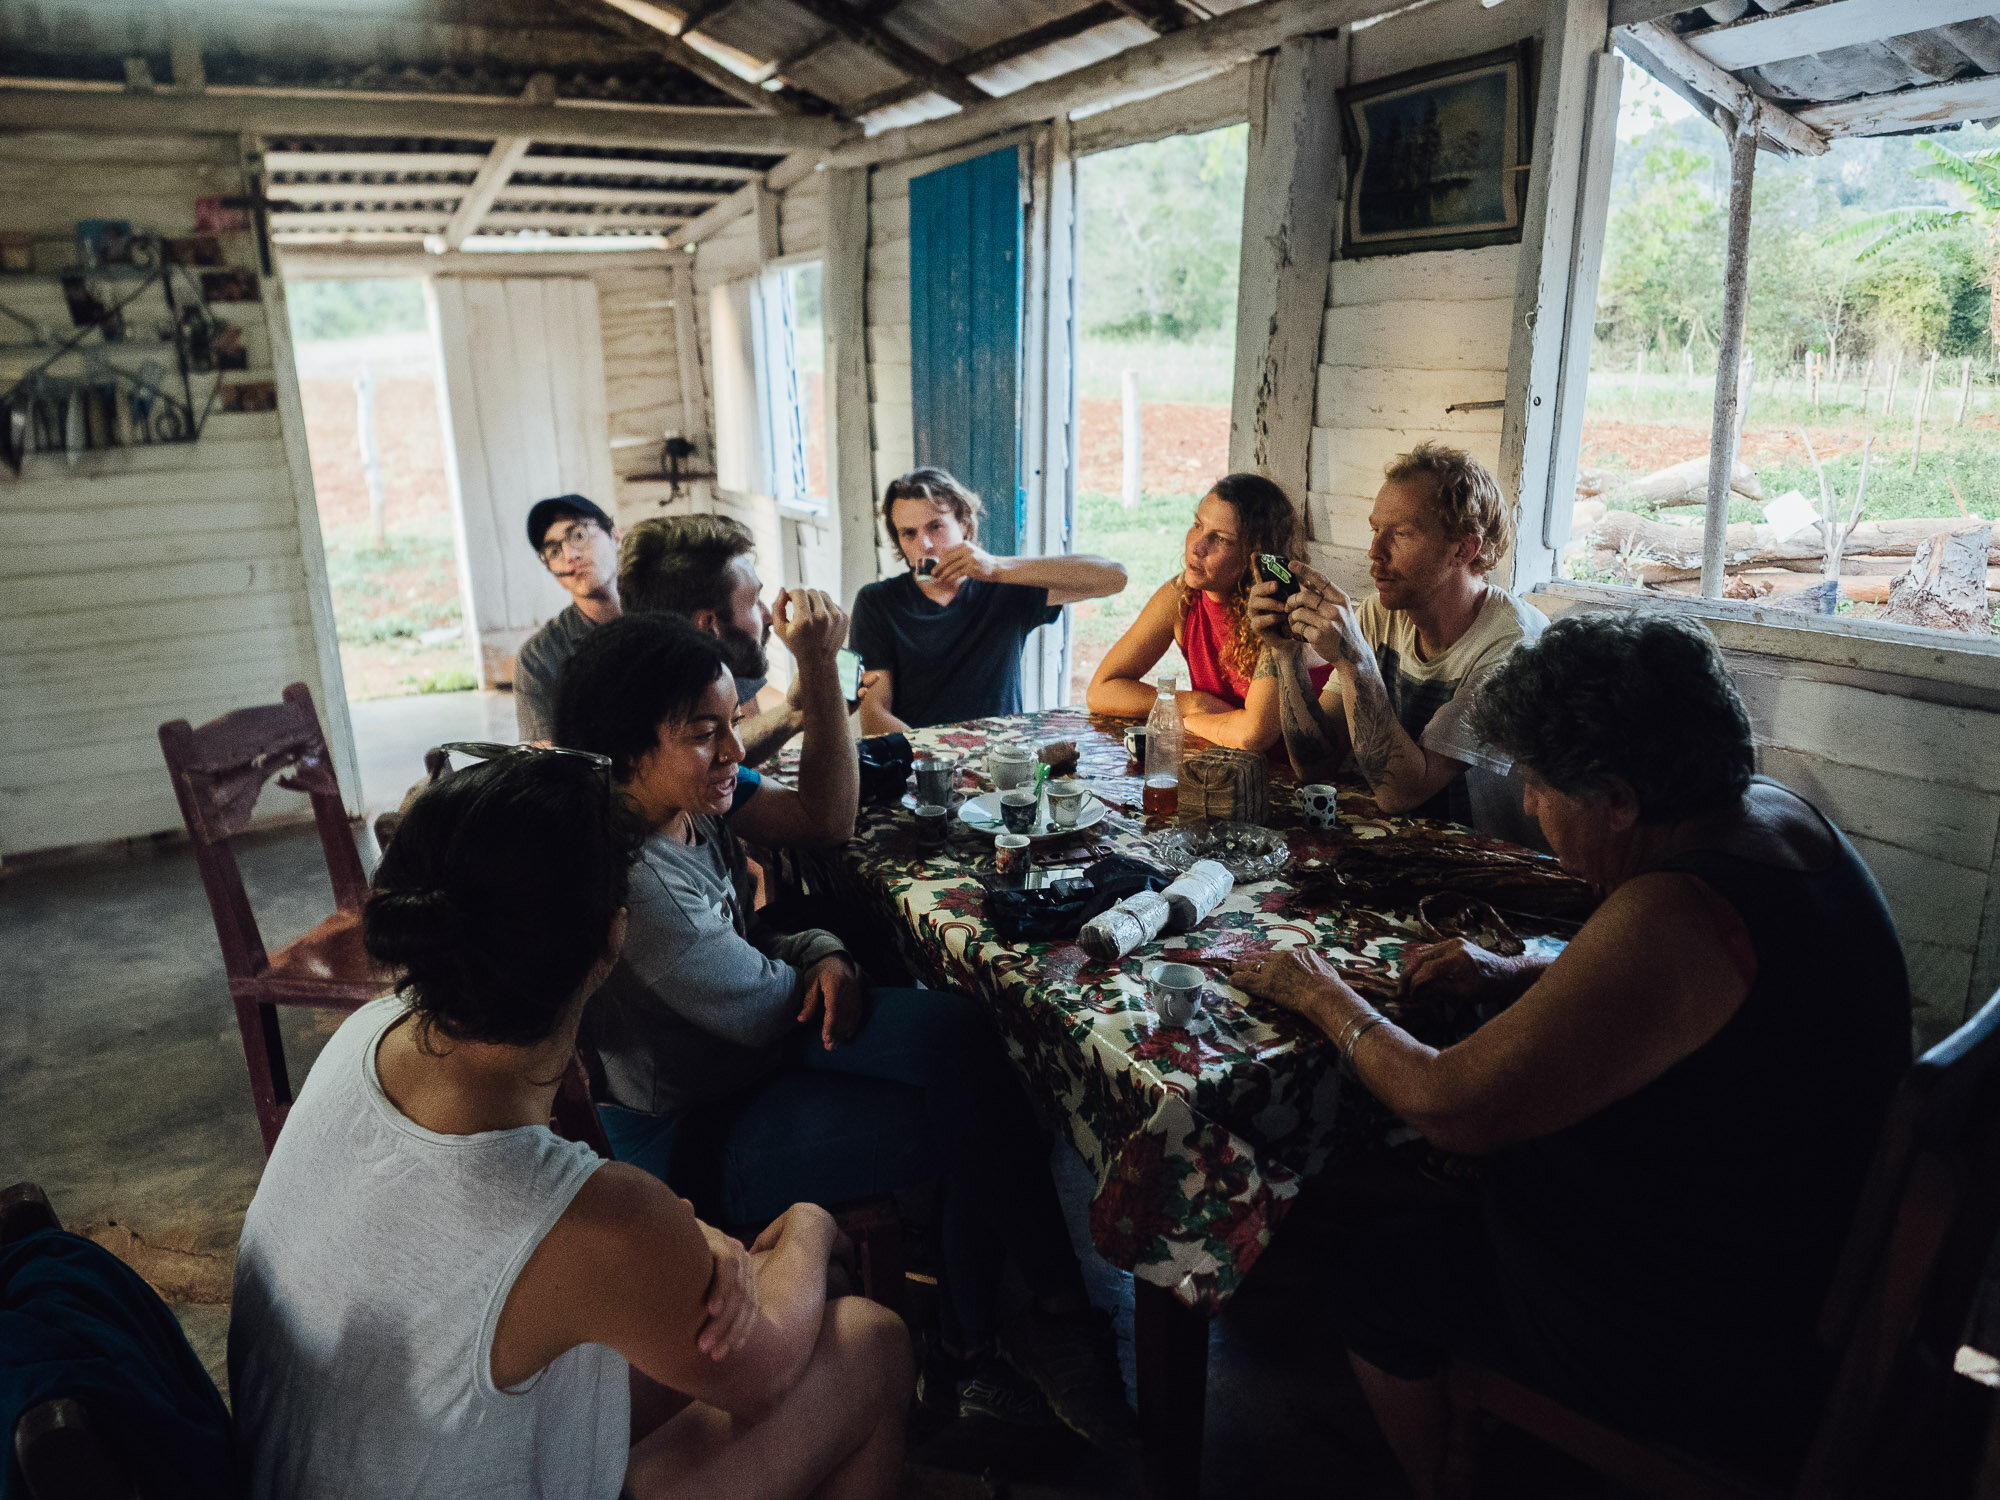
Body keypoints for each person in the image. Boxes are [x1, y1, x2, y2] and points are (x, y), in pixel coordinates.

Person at [1230, 613, 1911, 1495]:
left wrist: (1319, 991)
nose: (1528, 807)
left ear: (1622, 798)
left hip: (1709, 1327)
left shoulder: (1679, 911)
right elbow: (1666, 1000)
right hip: (1802, 1241)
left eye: (1542, 786)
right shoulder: (1775, 817)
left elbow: (1451, 1105)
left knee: (1379, 1262)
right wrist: (1513, 966)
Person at [228, 748, 912, 1500]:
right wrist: (812, 1226)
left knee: (691, 1337)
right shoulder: (591, 1213)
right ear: (613, 935)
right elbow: (767, 1370)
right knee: (867, 1342)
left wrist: (674, 1252)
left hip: (299, 1471)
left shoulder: (368, 1031)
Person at [554, 612, 1135, 1447]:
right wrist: (825, 962)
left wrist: (821, 948)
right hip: (691, 1127)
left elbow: (792, 879)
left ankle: (1022, 1321)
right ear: (626, 748)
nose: (733, 752)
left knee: (972, 1046)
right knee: (977, 1104)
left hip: (744, 1058)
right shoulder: (636, 882)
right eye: (703, 735)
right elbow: (760, 1011)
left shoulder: (694, 796)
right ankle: (979, 1350)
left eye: (731, 725)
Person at [1246, 444, 1546, 834]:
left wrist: (1354, 659)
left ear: (1463, 549)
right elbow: (1315, 766)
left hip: (1497, 864)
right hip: (1409, 845)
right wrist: (1286, 653)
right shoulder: (1378, 614)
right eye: (1376, 530)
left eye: (1401, 534)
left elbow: (1401, 793)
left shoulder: (1512, 645)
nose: (1374, 552)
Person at [851, 468, 1125, 734]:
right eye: (908, 533)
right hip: (921, 766)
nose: (925, 544)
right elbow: (874, 717)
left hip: (1004, 762)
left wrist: (997, 567)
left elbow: (1114, 577)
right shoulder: (877, 602)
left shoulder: (1005, 586)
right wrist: (937, 763)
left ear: (964, 525)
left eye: (935, 526)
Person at [1087, 473, 1329, 752]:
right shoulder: (1184, 597)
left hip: (1307, 780)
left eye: (1221, 539)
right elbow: (1102, 690)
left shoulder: (1278, 605)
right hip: (1231, 766)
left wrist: (1183, 719)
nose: (1197, 547)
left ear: (1256, 554)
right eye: (1197, 525)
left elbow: (1253, 735)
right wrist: (1192, 703)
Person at [620, 514, 823, 769]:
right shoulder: (679, 765)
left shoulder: (669, 701)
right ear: (708, 624)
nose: (769, 616)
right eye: (754, 602)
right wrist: (818, 661)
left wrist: (797, 711)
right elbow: (821, 810)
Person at [513, 495, 622, 744]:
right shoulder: (539, 657)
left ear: (615, 536)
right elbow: (546, 760)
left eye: (579, 536)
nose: (570, 555)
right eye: (553, 551)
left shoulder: (667, 615)